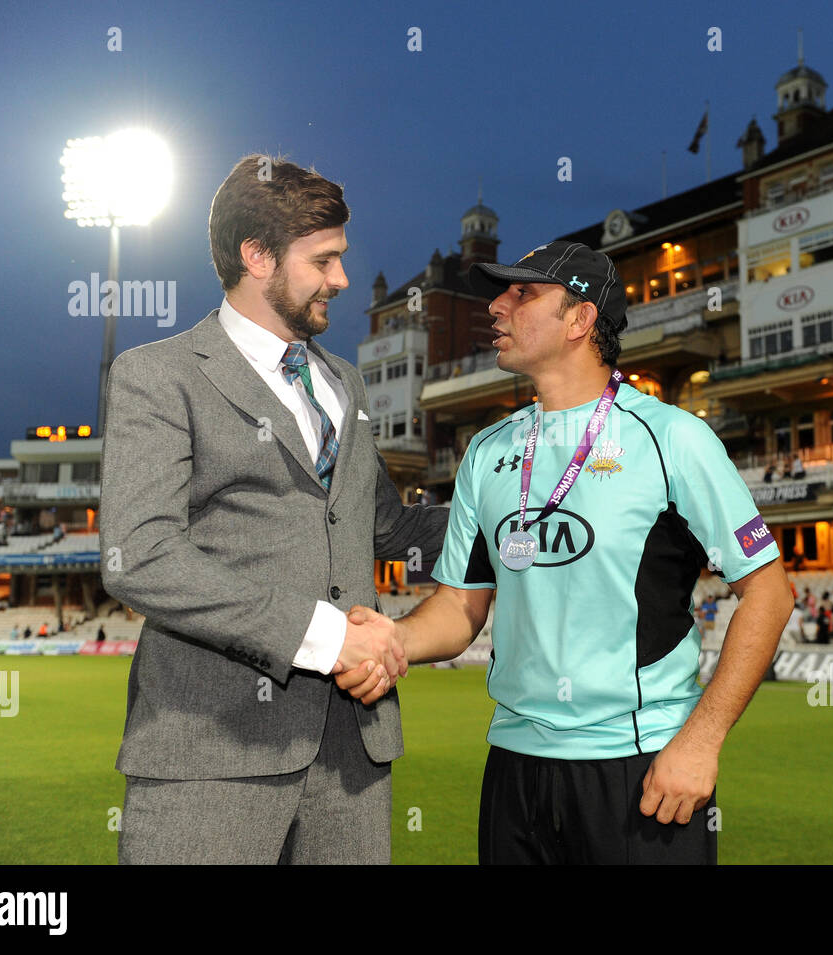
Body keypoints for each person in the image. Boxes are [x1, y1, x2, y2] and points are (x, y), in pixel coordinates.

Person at [336, 239, 793, 865]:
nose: (496, 307)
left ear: (580, 320)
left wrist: (701, 741)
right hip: (515, 768)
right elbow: (459, 609)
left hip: (643, 768)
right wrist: (393, 640)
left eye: (522, 294)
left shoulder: (673, 439)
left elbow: (768, 590)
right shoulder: (486, 451)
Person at [98, 155, 449, 865]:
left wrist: (514, 504)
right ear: (256, 256)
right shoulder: (157, 375)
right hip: (212, 752)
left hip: (353, 756)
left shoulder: (344, 381)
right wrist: (326, 636)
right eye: (324, 260)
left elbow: (385, 529)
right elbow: (140, 553)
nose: (342, 280)